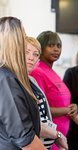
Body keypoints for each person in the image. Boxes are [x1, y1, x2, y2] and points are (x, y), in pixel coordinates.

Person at [0, 16, 46, 150]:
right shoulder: (6, 78)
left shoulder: (11, 76)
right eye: (23, 36)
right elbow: (25, 138)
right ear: (14, 42)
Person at [30, 31, 78, 150]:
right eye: (51, 45)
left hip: (59, 138)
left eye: (58, 46)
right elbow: (40, 109)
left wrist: (73, 107)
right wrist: (67, 110)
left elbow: (60, 102)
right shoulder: (37, 72)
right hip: (48, 140)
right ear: (40, 48)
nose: (56, 49)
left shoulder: (51, 72)